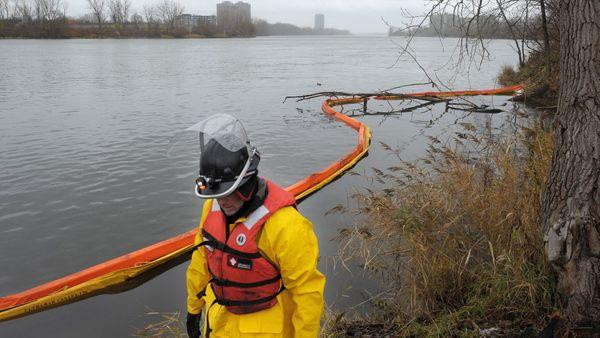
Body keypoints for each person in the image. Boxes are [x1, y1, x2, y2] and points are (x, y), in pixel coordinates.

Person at [185, 114, 325, 338]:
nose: (222, 202)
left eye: (229, 193)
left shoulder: (286, 225)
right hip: (219, 323)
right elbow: (200, 262)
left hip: (266, 329)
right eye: (217, 194)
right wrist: (193, 309)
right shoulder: (212, 209)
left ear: (247, 181)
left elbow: (307, 292)